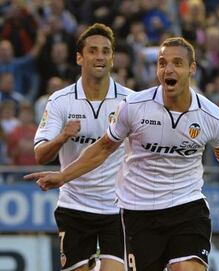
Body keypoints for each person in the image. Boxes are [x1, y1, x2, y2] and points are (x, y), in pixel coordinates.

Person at [26, 36, 219, 271]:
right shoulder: (134, 106)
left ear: (192, 69)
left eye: (177, 63)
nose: (168, 69)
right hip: (139, 211)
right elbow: (103, 148)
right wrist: (63, 176)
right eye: (162, 63)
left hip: (187, 207)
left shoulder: (212, 116)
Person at [32, 23, 134, 271]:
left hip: (118, 207)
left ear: (112, 58)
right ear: (80, 57)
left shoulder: (130, 101)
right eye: (93, 50)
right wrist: (62, 137)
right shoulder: (59, 101)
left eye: (106, 51)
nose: (100, 56)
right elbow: (40, 155)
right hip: (75, 206)